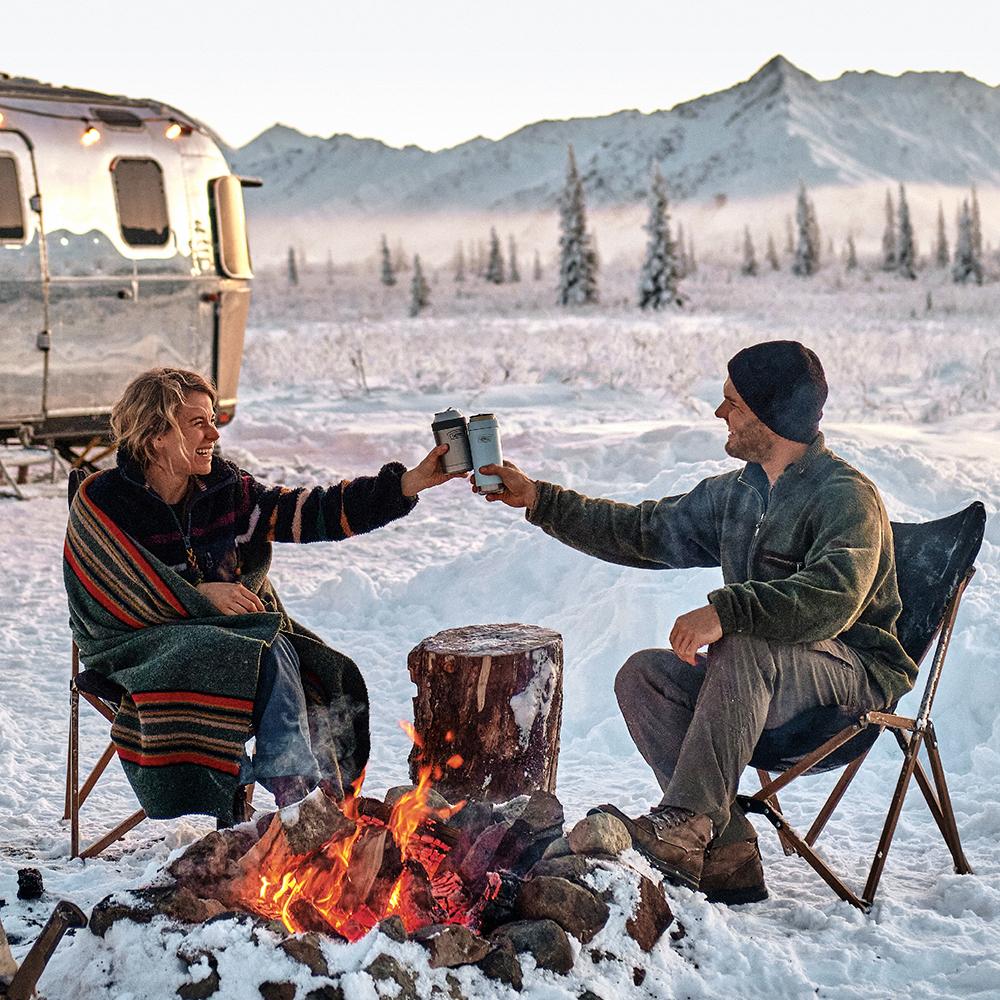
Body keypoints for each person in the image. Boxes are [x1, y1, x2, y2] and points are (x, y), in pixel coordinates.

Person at [475, 341, 916, 904]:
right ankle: (727, 847)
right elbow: (643, 530)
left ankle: (684, 823)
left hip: (850, 690)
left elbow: (835, 598)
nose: (719, 413)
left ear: (772, 414)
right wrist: (540, 499)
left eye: (732, 401)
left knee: (745, 640)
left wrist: (728, 612)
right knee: (644, 675)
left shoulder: (846, 498)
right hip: (761, 684)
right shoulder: (738, 494)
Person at [64, 367, 461, 826]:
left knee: (307, 660)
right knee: (265, 645)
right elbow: (106, 597)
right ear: (155, 436)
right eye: (198, 423)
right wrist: (200, 597)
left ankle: (309, 801)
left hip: (238, 645)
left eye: (213, 419)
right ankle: (301, 801)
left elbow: (314, 511)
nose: (214, 432)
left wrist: (406, 485)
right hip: (133, 649)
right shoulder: (104, 502)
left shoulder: (227, 492)